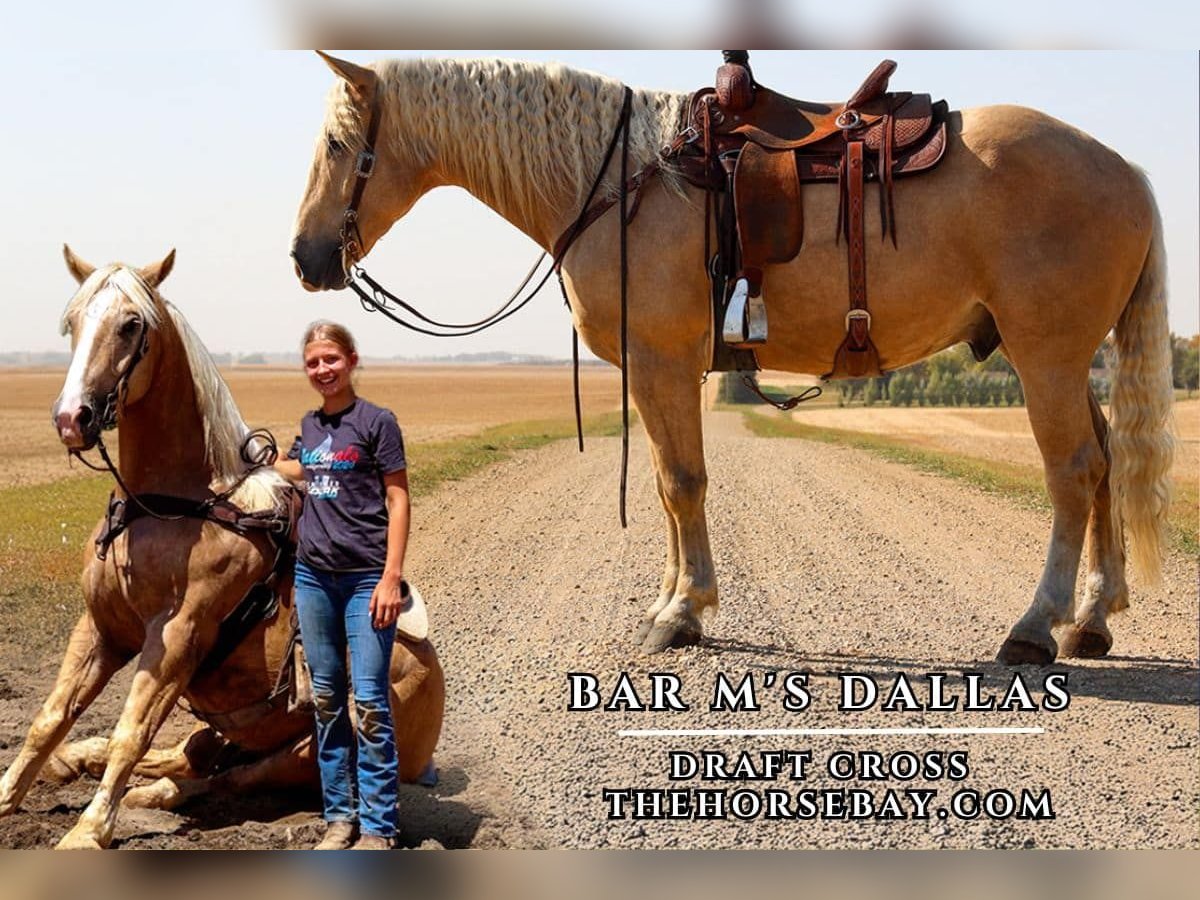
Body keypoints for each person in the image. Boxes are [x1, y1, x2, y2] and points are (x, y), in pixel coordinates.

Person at [274, 321, 409, 851]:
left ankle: (379, 827)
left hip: (364, 580)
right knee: (327, 698)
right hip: (313, 579)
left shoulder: (376, 422)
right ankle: (340, 818)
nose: (322, 370)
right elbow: (300, 468)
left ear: (351, 360)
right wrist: (258, 460)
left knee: (371, 700)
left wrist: (390, 577)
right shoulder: (309, 426)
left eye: (331, 359)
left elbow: (397, 499)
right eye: (313, 363)